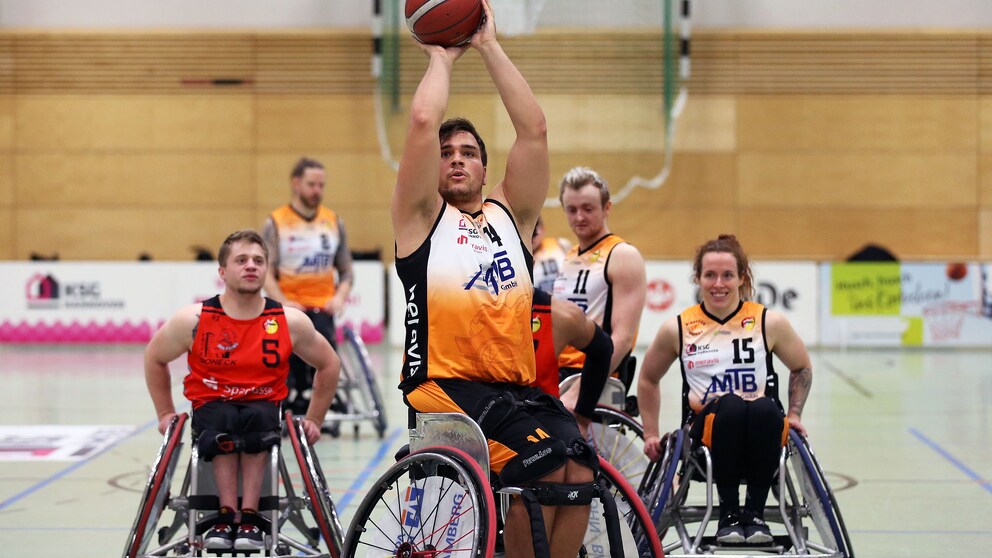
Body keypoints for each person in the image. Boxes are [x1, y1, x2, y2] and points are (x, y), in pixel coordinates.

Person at [391, 2, 593, 555]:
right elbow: (422, 121)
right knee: (544, 470)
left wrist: (487, 45)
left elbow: (534, 128)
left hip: (514, 387)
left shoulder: (512, 216)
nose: (456, 160)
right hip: (443, 386)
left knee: (580, 470)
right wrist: (441, 56)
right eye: (446, 154)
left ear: (485, 168)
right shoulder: (419, 220)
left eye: (469, 153)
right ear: (431, 167)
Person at [145, 230, 340, 551]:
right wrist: (165, 413)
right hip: (212, 408)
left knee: (258, 419)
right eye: (241, 260)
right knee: (220, 419)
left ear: (267, 269)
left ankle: (249, 516)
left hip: (262, 408)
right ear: (222, 271)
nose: (251, 266)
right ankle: (225, 514)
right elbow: (154, 358)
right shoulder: (193, 320)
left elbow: (329, 364)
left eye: (258, 261)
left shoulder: (288, 321)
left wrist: (315, 418)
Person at [637, 234, 813, 545]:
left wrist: (795, 412)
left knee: (764, 408)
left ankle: (755, 516)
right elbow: (649, 378)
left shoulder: (768, 322)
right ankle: (730, 514)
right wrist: (651, 434)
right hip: (705, 439)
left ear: (742, 277)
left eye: (727, 275)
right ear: (698, 278)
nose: (719, 283)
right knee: (731, 405)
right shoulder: (677, 327)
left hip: (762, 432)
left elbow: (801, 366)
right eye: (710, 275)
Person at [262, 157, 354, 416]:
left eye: (321, 185)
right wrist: (281, 300)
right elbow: (266, 270)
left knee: (321, 337)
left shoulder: (334, 221)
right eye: (312, 184)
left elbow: (346, 271)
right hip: (289, 306)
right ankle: (292, 395)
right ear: (296, 183)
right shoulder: (276, 221)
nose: (317, 191)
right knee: (290, 335)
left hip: (322, 307)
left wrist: (339, 298)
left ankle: (323, 397)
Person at [553, 167, 646, 398]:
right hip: (557, 371)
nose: (579, 217)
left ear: (607, 208)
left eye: (588, 209)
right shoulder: (570, 255)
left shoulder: (622, 255)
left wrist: (580, 390)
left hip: (590, 374)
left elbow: (622, 338)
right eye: (571, 210)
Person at [530, 289, 613, 437]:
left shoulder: (561, 314)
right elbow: (604, 348)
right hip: (511, 417)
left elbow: (605, 348)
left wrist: (582, 415)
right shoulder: (561, 313)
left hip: (538, 422)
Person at [531, 216, 570, 294]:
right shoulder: (518, 258)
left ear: (543, 229)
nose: (532, 236)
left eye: (535, 229)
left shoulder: (561, 244)